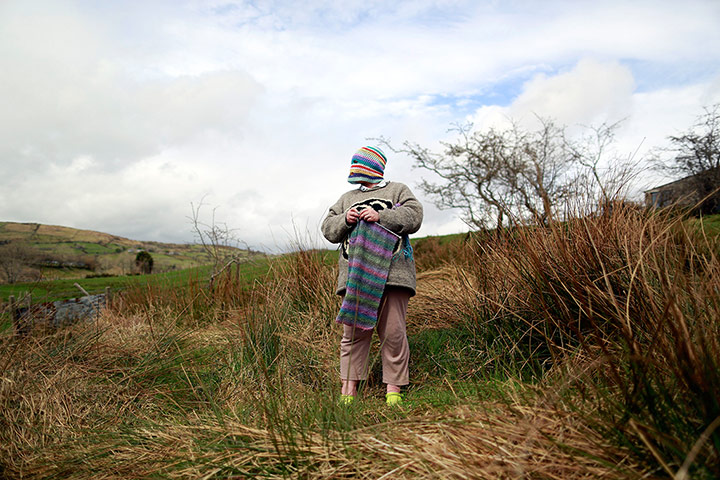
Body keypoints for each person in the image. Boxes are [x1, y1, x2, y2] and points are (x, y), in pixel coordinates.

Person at [321, 146, 423, 406]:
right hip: (356, 276)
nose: (356, 170)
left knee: (393, 331)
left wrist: (382, 215)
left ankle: (393, 390)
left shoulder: (397, 190)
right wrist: (346, 218)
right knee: (354, 333)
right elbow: (328, 229)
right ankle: (348, 392)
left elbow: (414, 215)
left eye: (360, 165)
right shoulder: (346, 198)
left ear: (373, 166)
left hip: (393, 274)